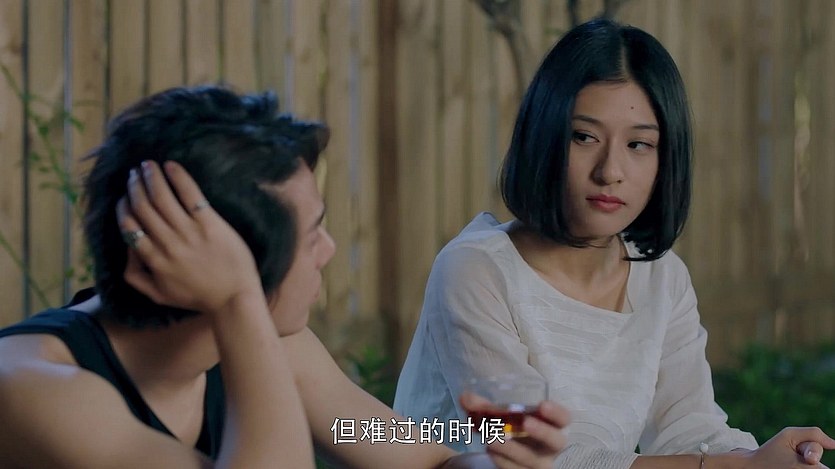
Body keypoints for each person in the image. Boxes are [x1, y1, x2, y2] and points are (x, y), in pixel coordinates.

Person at [0, 86, 570, 468]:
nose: (329, 250)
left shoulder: (268, 342)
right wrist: (239, 301)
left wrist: (496, 448)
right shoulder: (30, 387)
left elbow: (385, 441)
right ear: (224, 261)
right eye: (312, 233)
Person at [393, 18, 835, 469]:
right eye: (584, 137)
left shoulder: (662, 278)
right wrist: (734, 468)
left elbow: (689, 429)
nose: (610, 171)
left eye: (639, 144)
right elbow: (530, 454)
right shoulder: (474, 271)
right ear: (544, 137)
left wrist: (765, 460)